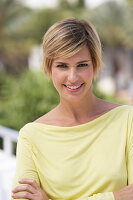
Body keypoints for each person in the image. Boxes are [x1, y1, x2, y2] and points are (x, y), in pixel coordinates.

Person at [11, 18, 133, 200]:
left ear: (95, 65)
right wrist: (115, 196)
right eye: (62, 66)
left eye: (82, 65)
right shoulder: (31, 136)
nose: (73, 77)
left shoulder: (127, 120)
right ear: (49, 68)